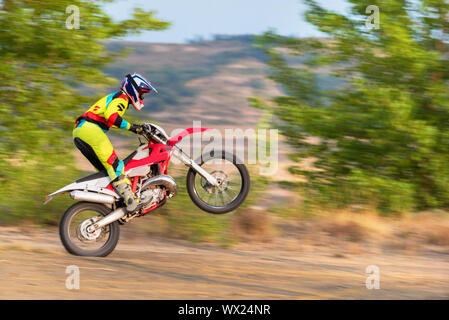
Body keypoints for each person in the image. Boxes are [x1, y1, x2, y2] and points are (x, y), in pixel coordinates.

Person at [73, 73, 157, 212]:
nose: (142, 98)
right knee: (116, 165)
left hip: (80, 132)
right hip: (90, 130)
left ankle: (109, 203)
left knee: (106, 173)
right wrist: (134, 127)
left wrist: (134, 128)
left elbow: (113, 119)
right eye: (142, 94)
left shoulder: (116, 98)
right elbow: (112, 116)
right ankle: (131, 200)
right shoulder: (121, 98)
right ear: (134, 90)